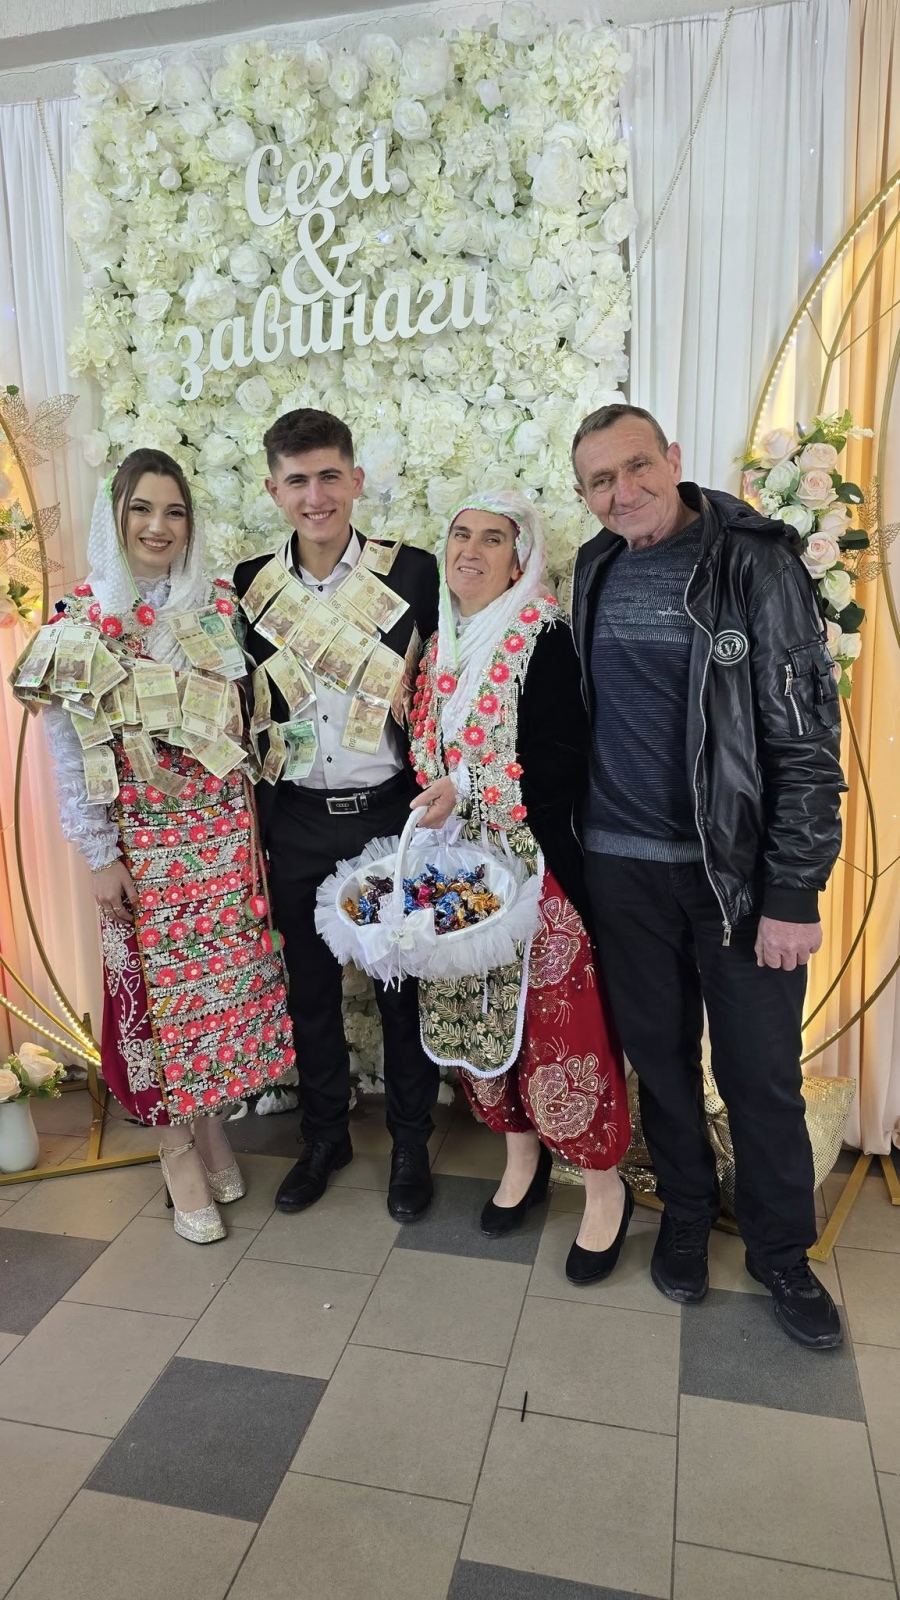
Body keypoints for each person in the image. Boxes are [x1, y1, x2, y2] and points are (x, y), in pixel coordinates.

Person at [570, 403, 845, 1347]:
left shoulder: (755, 563)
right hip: (622, 872)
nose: (623, 492)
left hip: (734, 877)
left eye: (636, 467)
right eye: (600, 481)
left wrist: (794, 890)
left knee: (760, 1074)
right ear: (585, 495)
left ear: (674, 459)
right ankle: (685, 1212)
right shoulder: (595, 565)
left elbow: (806, 739)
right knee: (661, 1062)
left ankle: (781, 1252)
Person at [30, 449, 294, 1243]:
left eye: (174, 511)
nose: (158, 526)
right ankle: (174, 1146)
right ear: (114, 516)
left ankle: (208, 1124)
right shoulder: (79, 620)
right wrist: (97, 854)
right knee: (151, 1001)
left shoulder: (215, 607)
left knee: (209, 997)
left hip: (218, 837)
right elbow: (67, 749)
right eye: (142, 509)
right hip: (140, 843)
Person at [409, 491, 632, 1281]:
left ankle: (602, 1188)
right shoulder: (440, 642)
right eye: (461, 534)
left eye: (492, 539)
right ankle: (521, 1159)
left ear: (519, 560)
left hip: (536, 867)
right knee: (479, 1017)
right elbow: (428, 751)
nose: (471, 550)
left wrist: (469, 790)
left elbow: (564, 761)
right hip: (458, 871)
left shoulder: (543, 635)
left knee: (560, 1026)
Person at [233, 409, 441, 1222]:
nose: (315, 496)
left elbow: (441, 690)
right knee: (311, 990)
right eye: (297, 481)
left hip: (388, 813)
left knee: (399, 987)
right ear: (272, 490)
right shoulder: (250, 585)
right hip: (296, 815)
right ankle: (325, 1136)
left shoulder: (413, 572)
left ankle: (412, 1142)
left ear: (355, 480)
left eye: (328, 476)